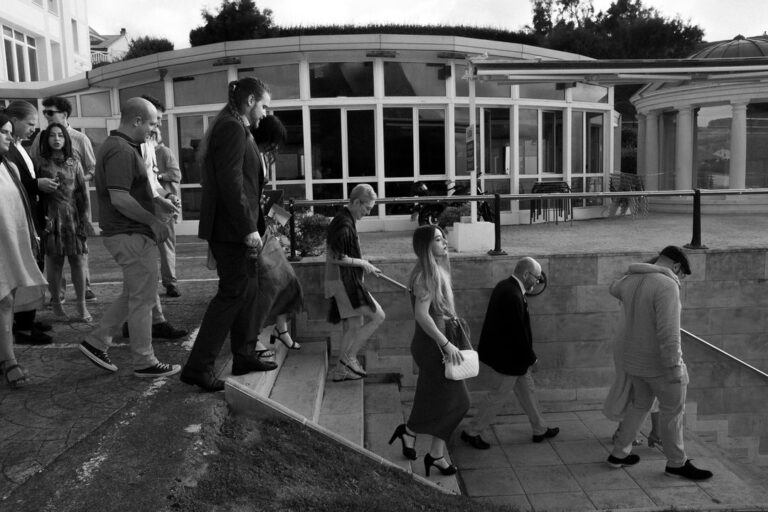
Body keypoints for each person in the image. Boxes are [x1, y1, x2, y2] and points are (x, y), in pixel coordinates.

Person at [180, 77, 277, 392]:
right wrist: (248, 227)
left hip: (234, 228)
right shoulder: (232, 128)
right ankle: (198, 368)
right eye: (264, 106)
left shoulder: (236, 126)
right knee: (233, 294)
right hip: (232, 230)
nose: (266, 113)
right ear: (250, 101)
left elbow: (243, 181)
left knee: (249, 291)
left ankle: (244, 355)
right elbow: (231, 183)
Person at [78, 97, 181, 379]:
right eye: (152, 123)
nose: (154, 128)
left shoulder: (122, 146)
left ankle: (97, 341)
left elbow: (132, 191)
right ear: (136, 121)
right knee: (142, 300)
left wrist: (159, 201)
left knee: (135, 294)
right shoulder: (121, 150)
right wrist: (153, 221)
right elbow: (120, 198)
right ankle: (144, 360)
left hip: (128, 232)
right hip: (129, 233)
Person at [606, 246, 713, 481]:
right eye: (681, 274)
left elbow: (613, 287)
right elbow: (669, 332)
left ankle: (618, 454)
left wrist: (635, 270)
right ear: (676, 266)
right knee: (673, 412)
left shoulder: (631, 280)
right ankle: (676, 463)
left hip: (634, 362)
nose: (680, 279)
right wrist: (675, 366)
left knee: (639, 405)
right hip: (659, 365)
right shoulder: (667, 285)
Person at [388, 225, 468, 477]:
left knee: (429, 396)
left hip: (433, 344)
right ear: (426, 246)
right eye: (438, 239)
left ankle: (411, 434)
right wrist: (446, 344)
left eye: (444, 238)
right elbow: (422, 315)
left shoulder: (433, 270)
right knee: (460, 402)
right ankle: (434, 453)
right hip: (433, 347)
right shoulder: (426, 276)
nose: (445, 242)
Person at [460, 257, 559, 449]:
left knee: (528, 390)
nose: (538, 281)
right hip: (509, 359)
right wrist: (532, 359)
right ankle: (472, 432)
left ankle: (539, 428)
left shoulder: (504, 286)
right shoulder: (513, 295)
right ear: (526, 274)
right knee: (497, 396)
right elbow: (518, 333)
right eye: (537, 277)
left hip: (511, 357)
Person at [30, 96, 97, 302]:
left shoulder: (80, 138)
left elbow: (92, 169)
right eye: (45, 113)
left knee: (78, 252)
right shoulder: (40, 138)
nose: (47, 116)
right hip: (50, 207)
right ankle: (58, 294)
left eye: (51, 112)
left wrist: (74, 180)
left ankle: (85, 288)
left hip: (73, 205)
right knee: (54, 255)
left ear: (64, 114)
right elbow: (33, 168)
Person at [0, 112, 48, 388]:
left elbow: (20, 209)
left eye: (10, 131)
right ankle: (8, 361)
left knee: (6, 300)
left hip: (8, 246)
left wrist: (31, 237)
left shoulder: (10, 167)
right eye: (4, 132)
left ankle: (7, 359)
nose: (10, 136)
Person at [250, 115, 303, 356]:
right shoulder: (251, 153)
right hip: (255, 232)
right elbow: (254, 200)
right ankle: (251, 337)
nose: (277, 149)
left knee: (289, 281)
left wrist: (285, 220)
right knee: (269, 285)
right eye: (275, 143)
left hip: (263, 229)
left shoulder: (260, 156)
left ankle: (281, 329)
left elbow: (263, 199)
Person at [325, 183, 386, 382]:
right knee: (378, 317)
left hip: (341, 280)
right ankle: (348, 359)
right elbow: (335, 257)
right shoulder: (343, 224)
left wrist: (365, 265)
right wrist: (362, 263)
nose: (368, 213)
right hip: (343, 282)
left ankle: (340, 370)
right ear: (357, 202)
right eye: (367, 208)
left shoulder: (344, 220)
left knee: (354, 326)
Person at [4, 100, 53, 345]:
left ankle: (27, 318)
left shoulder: (20, 146)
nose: (34, 129)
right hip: (21, 217)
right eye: (30, 123)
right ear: (13, 121)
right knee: (27, 266)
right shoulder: (7, 150)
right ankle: (22, 325)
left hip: (32, 215)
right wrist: (36, 184)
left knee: (35, 265)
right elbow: (12, 184)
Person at [153, 129, 182, 297]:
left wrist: (158, 177)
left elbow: (176, 174)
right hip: (148, 207)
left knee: (166, 248)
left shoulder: (164, 152)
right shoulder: (143, 152)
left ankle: (170, 282)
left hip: (164, 208)